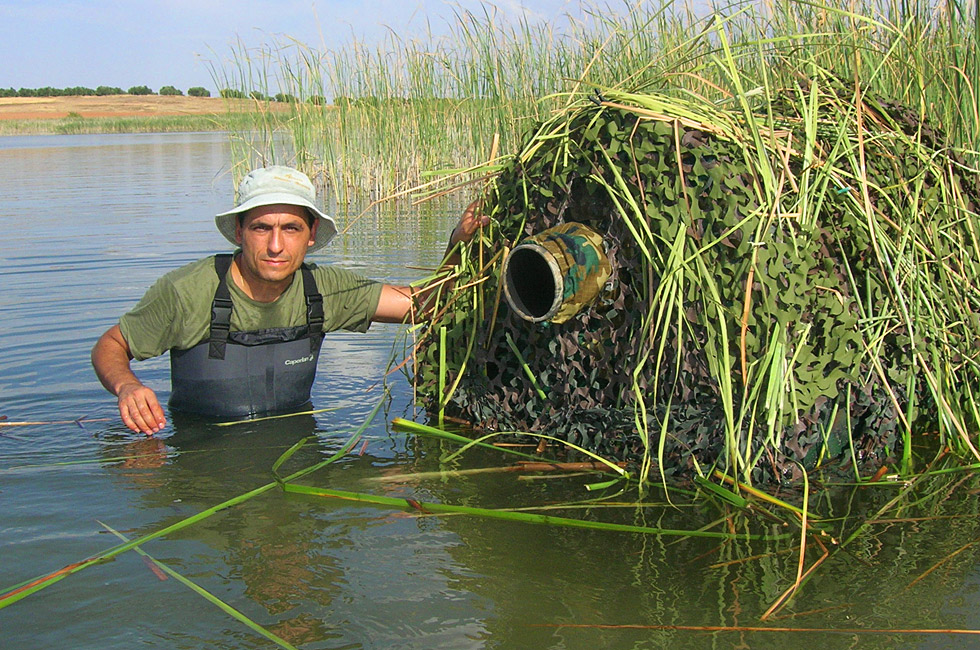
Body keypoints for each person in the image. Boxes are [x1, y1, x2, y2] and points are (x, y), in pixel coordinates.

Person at [92, 165, 487, 435]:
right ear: (239, 233)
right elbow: (111, 345)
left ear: (311, 234)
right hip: (199, 458)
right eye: (262, 228)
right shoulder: (188, 290)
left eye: (291, 228)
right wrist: (127, 386)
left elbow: (426, 307)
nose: (276, 245)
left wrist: (457, 245)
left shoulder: (324, 289)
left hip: (298, 452)